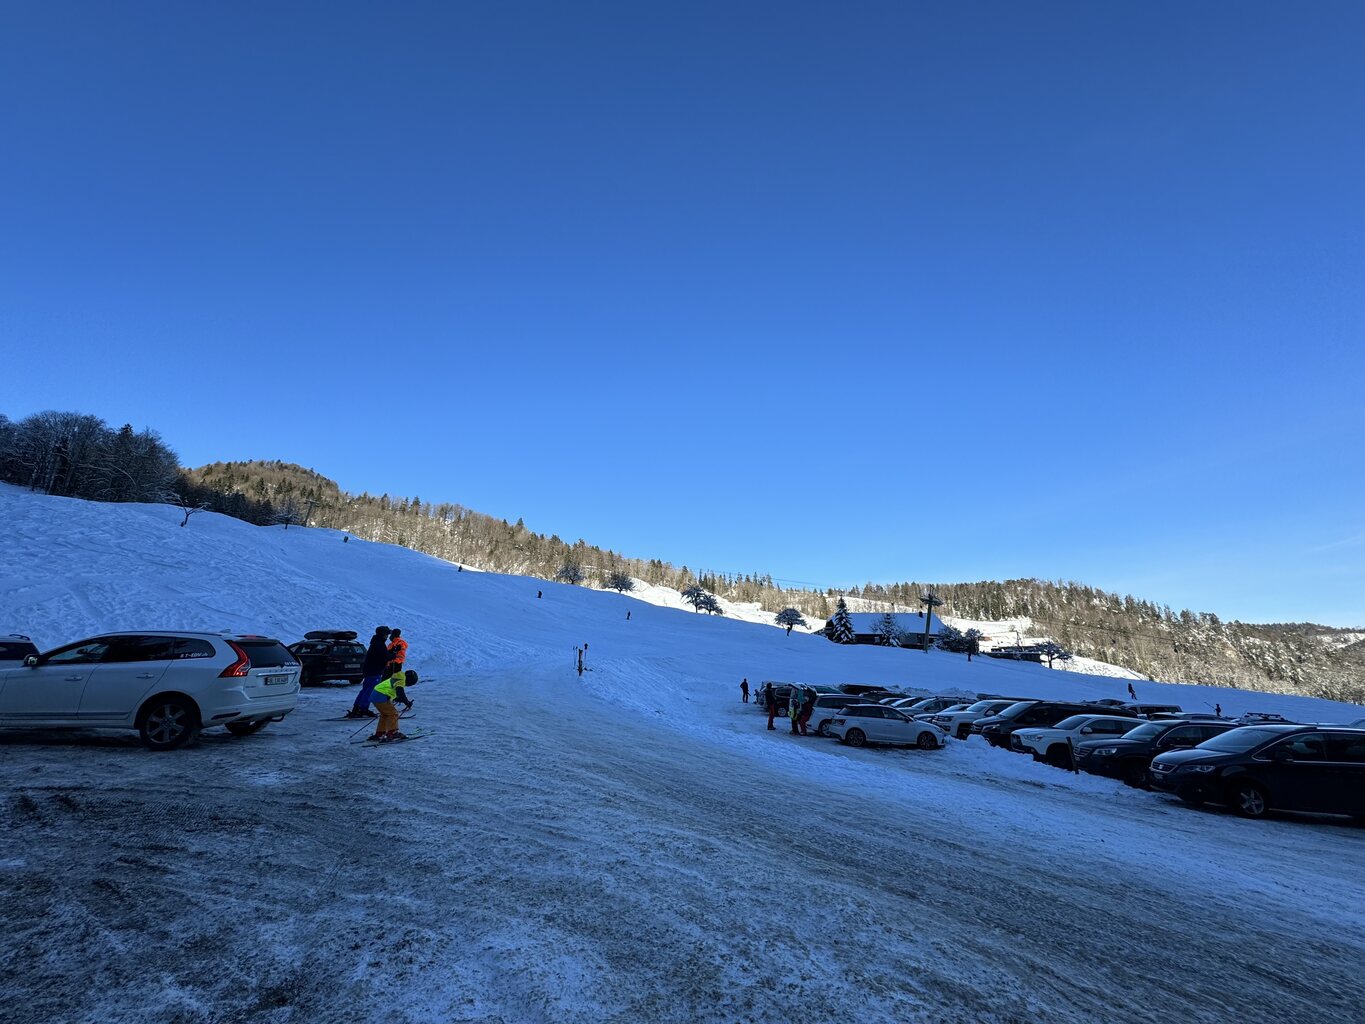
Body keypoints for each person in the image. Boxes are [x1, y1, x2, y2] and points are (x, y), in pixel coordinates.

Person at [346, 625, 391, 719]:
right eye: (386, 634)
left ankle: (357, 708)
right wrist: (393, 655)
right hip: (374, 671)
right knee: (370, 690)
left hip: (370, 670)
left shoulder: (376, 642)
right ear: (383, 634)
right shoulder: (379, 644)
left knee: (366, 689)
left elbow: (382, 655)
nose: (387, 636)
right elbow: (383, 657)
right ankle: (362, 709)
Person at [369, 667, 418, 742]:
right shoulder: (402, 679)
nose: (407, 685)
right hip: (381, 695)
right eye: (410, 684)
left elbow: (394, 691)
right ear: (409, 680)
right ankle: (393, 733)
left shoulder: (398, 676)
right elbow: (400, 691)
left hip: (375, 695)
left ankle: (380, 733)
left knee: (385, 714)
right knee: (393, 714)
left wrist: (399, 699)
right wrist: (407, 702)